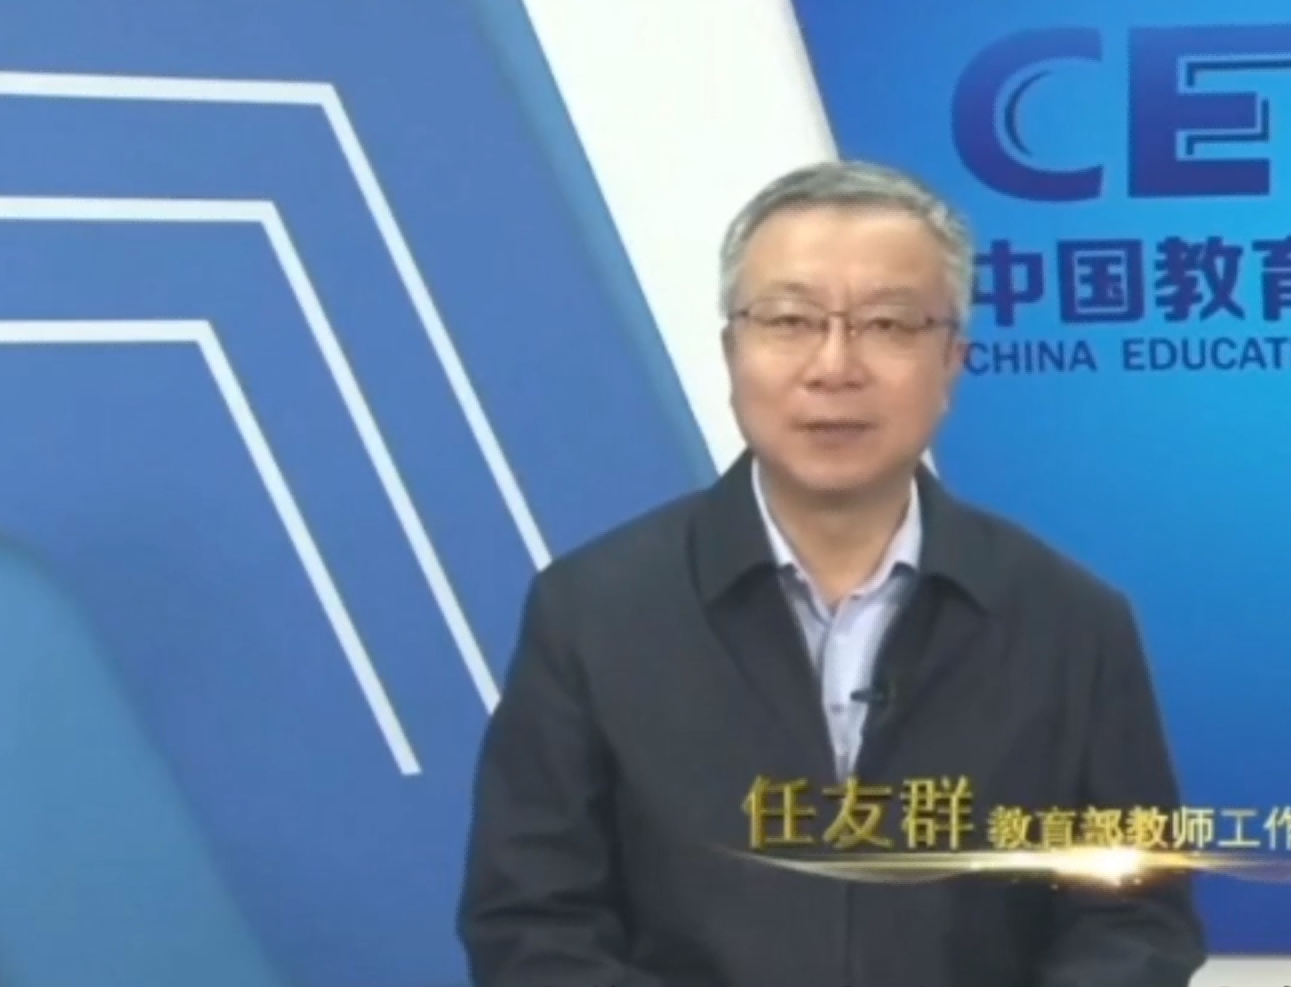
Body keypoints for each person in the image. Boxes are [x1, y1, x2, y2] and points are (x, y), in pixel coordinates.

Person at [457, 160, 1204, 987]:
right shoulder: (593, 611)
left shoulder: (1070, 622)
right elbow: (533, 923)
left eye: (887, 324)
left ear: (952, 360)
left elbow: (1135, 918)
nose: (834, 365)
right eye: (790, 319)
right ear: (732, 350)